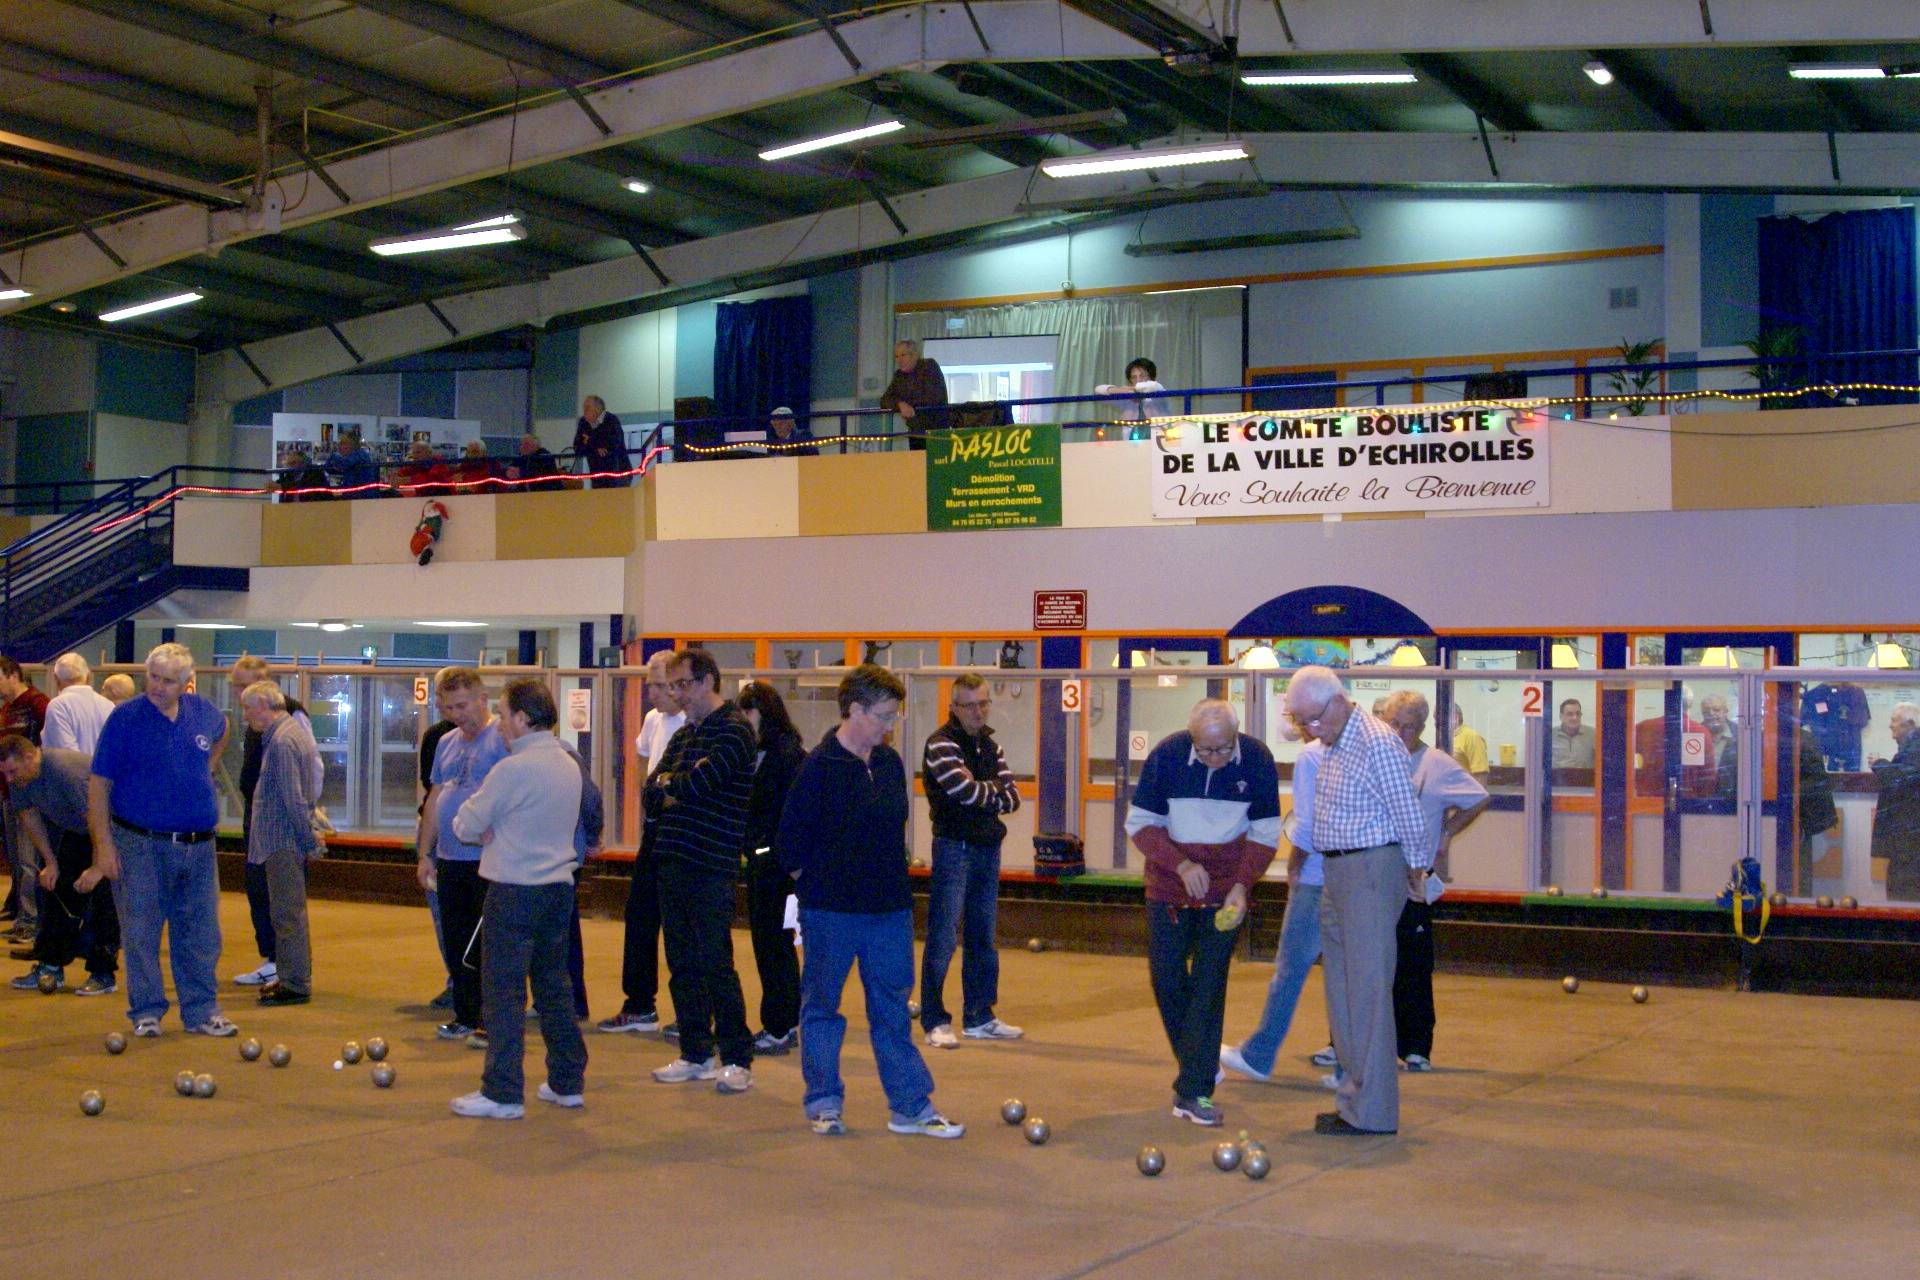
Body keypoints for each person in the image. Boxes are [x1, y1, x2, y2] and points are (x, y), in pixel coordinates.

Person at [778, 663, 963, 1139]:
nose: (889, 725)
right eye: (882, 715)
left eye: (893, 715)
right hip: (831, 913)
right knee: (822, 1006)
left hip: (888, 911)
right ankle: (823, 1101)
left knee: (892, 1010)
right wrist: (820, 887)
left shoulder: (888, 763)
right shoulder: (817, 767)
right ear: (854, 710)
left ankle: (911, 1106)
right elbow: (789, 844)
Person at [1283, 665, 1432, 1137]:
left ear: (1337, 701)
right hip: (1337, 872)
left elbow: (1408, 812)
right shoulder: (1333, 743)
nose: (1310, 729)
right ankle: (1352, 1100)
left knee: (1367, 993)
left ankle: (1374, 1113)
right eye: (1301, 721)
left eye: (1313, 719)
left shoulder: (1377, 741)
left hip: (1370, 871)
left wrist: (1417, 871)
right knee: (1343, 992)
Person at [1125, 699, 1280, 1128]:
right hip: (1169, 887)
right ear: (1191, 739)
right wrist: (1180, 864)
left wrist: (1242, 886)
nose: (1216, 758)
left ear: (1236, 734)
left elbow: (1266, 833)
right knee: (1167, 980)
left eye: (1224, 748)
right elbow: (1140, 824)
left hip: (1225, 892)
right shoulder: (1167, 755)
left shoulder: (1258, 760)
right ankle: (1201, 1063)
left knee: (1209, 986)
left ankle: (1193, 1090)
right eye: (1206, 750)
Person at [448, 679, 588, 1119]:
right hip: (558, 891)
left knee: (503, 993)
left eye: (505, 714)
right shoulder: (568, 763)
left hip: (513, 892)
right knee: (554, 988)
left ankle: (503, 1092)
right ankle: (567, 1082)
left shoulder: (511, 770)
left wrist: (491, 826)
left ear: (523, 719)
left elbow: (465, 824)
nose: (500, 724)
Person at [84, 642, 235, 1038]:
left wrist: (207, 766)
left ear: (186, 684)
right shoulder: (124, 718)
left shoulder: (202, 712)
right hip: (140, 844)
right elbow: (98, 784)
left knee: (200, 932)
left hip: (199, 845)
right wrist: (103, 846)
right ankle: (146, 1010)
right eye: (152, 677)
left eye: (167, 681)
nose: (157, 686)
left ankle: (201, 1011)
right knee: (141, 931)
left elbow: (223, 730)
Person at [646, 648, 757, 1092]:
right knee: (681, 962)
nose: (677, 694)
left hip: (711, 862)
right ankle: (695, 1051)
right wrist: (671, 785)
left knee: (715, 962)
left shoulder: (734, 731)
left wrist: (675, 784)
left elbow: (698, 784)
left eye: (683, 684)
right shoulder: (685, 735)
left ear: (709, 680)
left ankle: (736, 1056)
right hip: (672, 858)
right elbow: (651, 792)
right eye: (671, 686)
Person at [1380, 691, 1488, 1071]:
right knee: (1366, 965)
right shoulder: (1372, 758)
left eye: (1409, 727)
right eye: (1394, 724)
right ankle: (1350, 1043)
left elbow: (1478, 798)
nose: (1400, 733)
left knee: (1413, 968)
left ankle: (1415, 1048)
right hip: (1373, 878)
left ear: (1422, 727)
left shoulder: (1437, 764)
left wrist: (1446, 834)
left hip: (1413, 881)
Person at [918, 673, 1023, 1049]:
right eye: (970, 705)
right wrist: (993, 789)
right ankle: (934, 1020)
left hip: (987, 848)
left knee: (982, 934)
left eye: (983, 703)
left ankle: (979, 1016)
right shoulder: (940, 745)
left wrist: (986, 790)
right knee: (943, 936)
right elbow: (964, 791)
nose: (979, 711)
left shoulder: (991, 746)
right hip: (954, 848)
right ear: (954, 707)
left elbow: (1013, 798)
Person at [1220, 738, 1325, 1087]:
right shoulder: (1373, 745)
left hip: (1316, 878)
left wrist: (1294, 865)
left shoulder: (1312, 755)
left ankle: (1258, 1055)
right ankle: (1350, 1069)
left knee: (1289, 970)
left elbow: (1306, 824)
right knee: (1349, 976)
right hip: (1353, 879)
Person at [416, 667, 508, 1046]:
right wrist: (425, 853)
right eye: (449, 707)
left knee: (486, 944)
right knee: (455, 940)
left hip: (488, 860)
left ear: (482, 699)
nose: (457, 714)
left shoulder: (501, 738)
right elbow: (435, 798)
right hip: (449, 858)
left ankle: (492, 1019)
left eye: (463, 705)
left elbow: (513, 793)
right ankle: (465, 1015)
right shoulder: (445, 742)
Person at [598, 651, 683, 1035]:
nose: (653, 693)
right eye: (650, 685)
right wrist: (646, 804)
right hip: (655, 828)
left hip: (682, 833)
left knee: (681, 922)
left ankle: (691, 1012)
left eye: (661, 686)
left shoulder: (692, 724)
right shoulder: (653, 720)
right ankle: (639, 1004)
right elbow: (641, 759)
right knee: (640, 914)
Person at [227, 656, 319, 990]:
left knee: (285, 912)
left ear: (264, 703)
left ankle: (293, 980)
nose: (244, 714)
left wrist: (309, 839)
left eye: (247, 706)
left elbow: (294, 796)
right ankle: (288, 973)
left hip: (280, 838)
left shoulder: (283, 739)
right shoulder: (279, 734)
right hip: (275, 835)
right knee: (282, 909)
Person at [0, 737, 118, 996]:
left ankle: (103, 973)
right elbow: (29, 817)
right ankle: (50, 966)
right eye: (4, 774)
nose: (8, 779)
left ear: (29, 758)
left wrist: (98, 868)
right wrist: (51, 862)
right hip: (80, 831)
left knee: (104, 897)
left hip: (113, 829)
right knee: (56, 890)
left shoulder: (63, 770)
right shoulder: (21, 780)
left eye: (12, 772)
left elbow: (96, 818)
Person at [737, 680, 806, 1055]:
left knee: (774, 945)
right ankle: (785, 1022)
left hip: (776, 866)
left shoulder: (784, 755)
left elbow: (785, 814)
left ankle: (779, 1025)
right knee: (773, 945)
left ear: (763, 712)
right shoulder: (763, 752)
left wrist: (768, 851)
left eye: (748, 711)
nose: (743, 719)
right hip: (766, 861)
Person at [418, 673, 459, 1010]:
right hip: (439, 841)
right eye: (443, 700)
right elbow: (431, 790)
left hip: (475, 846)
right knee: (443, 916)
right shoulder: (437, 738)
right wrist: (424, 851)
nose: (447, 708)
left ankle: (473, 985)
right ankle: (456, 980)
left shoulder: (495, 738)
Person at [0, 655, 49, 939]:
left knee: (29, 859)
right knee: (17, 858)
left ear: (12, 675)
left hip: (28, 794)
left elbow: (46, 746)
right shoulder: (8, 709)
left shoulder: (36, 703)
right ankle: (22, 913)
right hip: (9, 792)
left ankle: (30, 921)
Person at [1870, 702, 1920, 902]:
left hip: (1909, 841)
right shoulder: (1911, 747)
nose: (1890, 725)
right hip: (1907, 839)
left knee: (1902, 895)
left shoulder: (1916, 747)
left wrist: (1879, 764)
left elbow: (1902, 780)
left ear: (1910, 724)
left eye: (1894, 720)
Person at [880, 339, 948, 452]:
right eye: (896, 356)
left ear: (915, 355)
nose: (899, 360)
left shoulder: (929, 366)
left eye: (903, 355)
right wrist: (899, 404)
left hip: (937, 431)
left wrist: (907, 404)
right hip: (915, 432)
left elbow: (932, 397)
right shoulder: (899, 376)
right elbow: (884, 400)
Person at [41, 653, 115, 756]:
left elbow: (67, 755)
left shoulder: (58, 706)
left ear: (55, 678)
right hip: (102, 766)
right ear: (88, 676)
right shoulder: (108, 705)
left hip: (74, 766)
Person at [1094, 356, 1168, 435]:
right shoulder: (1128, 398)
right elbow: (1098, 390)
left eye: (1142, 376)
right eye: (1134, 377)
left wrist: (1133, 389)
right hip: (1130, 441)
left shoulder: (1158, 394)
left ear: (1151, 377)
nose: (1138, 380)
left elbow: (1154, 386)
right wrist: (1121, 390)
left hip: (1159, 439)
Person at [574, 395, 632, 488]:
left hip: (619, 473)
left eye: (587, 408)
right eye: (584, 408)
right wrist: (595, 447)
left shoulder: (611, 420)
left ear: (597, 409)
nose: (584, 412)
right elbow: (577, 448)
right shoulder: (583, 423)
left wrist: (590, 441)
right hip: (597, 477)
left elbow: (613, 444)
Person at [322, 429, 380, 497]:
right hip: (356, 493)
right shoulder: (354, 457)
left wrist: (333, 456)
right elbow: (330, 469)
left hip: (362, 495)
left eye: (343, 444)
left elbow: (343, 464)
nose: (339, 447)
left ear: (351, 445)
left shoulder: (360, 454)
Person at [1551, 698, 1595, 771]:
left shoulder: (1593, 734)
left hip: (1585, 777)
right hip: (1558, 777)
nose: (1575, 717)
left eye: (1578, 714)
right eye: (1570, 714)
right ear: (1561, 717)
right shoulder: (1550, 734)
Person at [1449, 704, 1489, 782]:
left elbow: (1481, 775)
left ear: (1454, 717)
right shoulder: (1444, 739)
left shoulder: (1472, 737)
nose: (1435, 723)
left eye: (1438, 718)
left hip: (1463, 789)